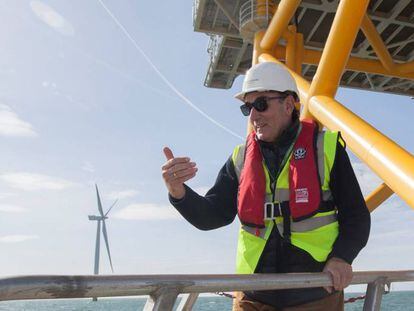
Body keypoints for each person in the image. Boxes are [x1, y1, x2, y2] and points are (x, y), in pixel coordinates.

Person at [161, 62, 370, 310]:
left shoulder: (326, 148)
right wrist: (178, 191)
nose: (253, 116)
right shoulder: (240, 159)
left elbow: (356, 216)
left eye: (260, 104)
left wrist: (341, 258)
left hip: (315, 295)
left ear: (288, 104)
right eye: (247, 107)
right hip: (253, 297)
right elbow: (212, 216)